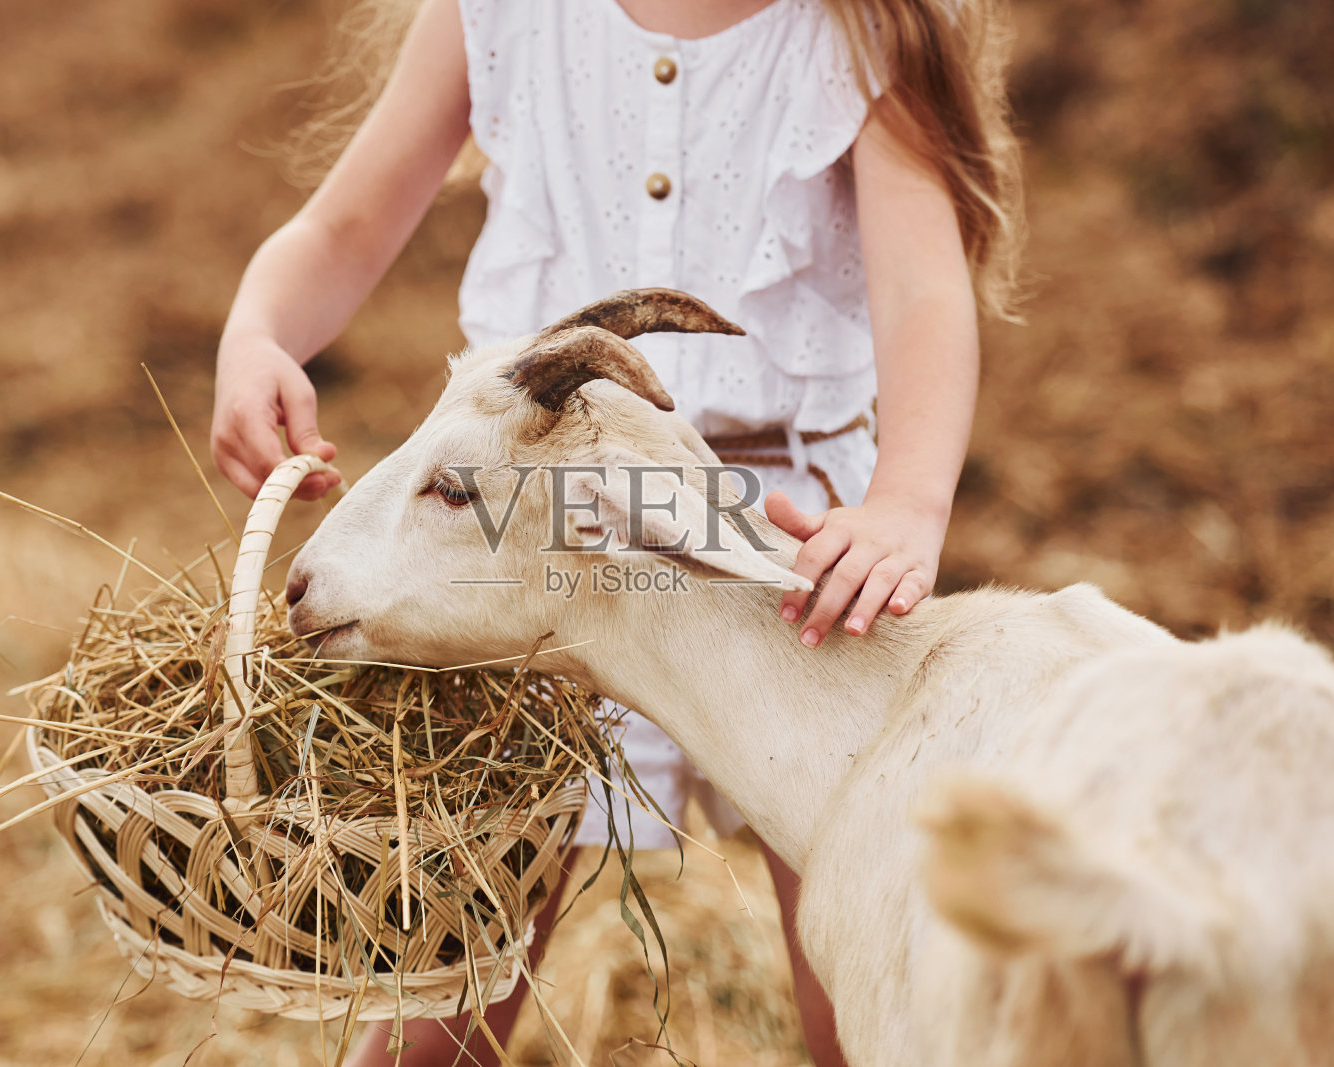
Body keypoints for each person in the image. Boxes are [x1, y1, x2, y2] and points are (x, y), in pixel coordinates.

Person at [211, 0, 1023, 1061]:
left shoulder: (863, 27)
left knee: (859, 1005)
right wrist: (258, 329)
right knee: (441, 1000)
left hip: (783, 544)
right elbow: (343, 226)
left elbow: (923, 290)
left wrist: (906, 502)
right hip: (516, 537)